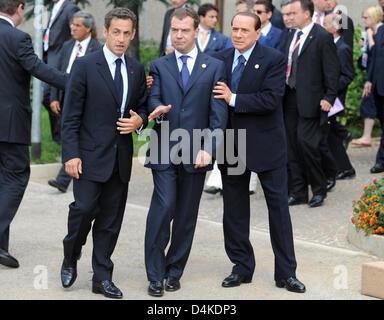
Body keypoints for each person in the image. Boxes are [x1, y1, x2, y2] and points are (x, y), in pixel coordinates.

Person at [213, 10, 305, 293]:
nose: (238, 35)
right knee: (235, 211)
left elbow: (271, 98)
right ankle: (241, 267)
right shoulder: (220, 59)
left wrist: (234, 98)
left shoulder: (274, 59)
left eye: (244, 30)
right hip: (232, 144)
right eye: (234, 29)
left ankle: (286, 273)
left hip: (267, 144)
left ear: (257, 32)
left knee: (278, 209)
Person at [60, 8, 148, 299]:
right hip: (87, 157)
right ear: (106, 32)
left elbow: (143, 106)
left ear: (132, 34)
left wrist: (140, 121)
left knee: (110, 222)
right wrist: (70, 154)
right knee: (83, 210)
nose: (121, 39)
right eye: (116, 32)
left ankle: (102, 277)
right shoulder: (85, 65)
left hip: (120, 159)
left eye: (127, 33)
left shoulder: (136, 69)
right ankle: (71, 254)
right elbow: (71, 115)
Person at [144, 7, 227, 297]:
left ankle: (173, 270)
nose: (178, 35)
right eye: (174, 30)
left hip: (197, 153)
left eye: (184, 30)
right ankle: (154, 275)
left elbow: (218, 117)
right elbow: (154, 98)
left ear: (196, 31)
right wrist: (157, 111)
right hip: (164, 148)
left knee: (186, 215)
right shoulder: (158, 65)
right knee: (164, 207)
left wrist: (209, 149)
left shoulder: (214, 66)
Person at [0, 0, 67, 268]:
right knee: (16, 177)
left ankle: (1, 248)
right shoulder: (18, 37)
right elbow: (39, 69)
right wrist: (77, 80)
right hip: (11, 123)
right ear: (19, 8)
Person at [281, 0, 340, 208]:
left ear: (307, 14)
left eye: (292, 13)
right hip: (288, 98)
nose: (287, 18)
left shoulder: (322, 36)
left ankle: (318, 188)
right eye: (285, 14)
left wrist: (329, 97)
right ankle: (297, 191)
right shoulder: (288, 35)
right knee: (291, 147)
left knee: (307, 144)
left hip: (312, 101)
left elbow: (332, 70)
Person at [48, 11, 101, 193]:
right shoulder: (67, 46)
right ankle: (68, 173)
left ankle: (63, 178)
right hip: (64, 95)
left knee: (77, 134)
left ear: (88, 28)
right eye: (72, 24)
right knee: (68, 134)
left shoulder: (97, 49)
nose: (73, 28)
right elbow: (58, 72)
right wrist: (54, 97)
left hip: (85, 98)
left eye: (77, 25)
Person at [323, 13, 356, 180]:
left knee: (331, 134)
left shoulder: (343, 48)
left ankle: (343, 168)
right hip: (328, 96)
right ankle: (343, 167)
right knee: (331, 133)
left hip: (335, 98)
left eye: (325, 24)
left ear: (335, 28)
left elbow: (348, 75)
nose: (322, 27)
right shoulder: (330, 45)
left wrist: (331, 87)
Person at [43, 0, 80, 144]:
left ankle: (61, 134)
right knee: (48, 97)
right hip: (49, 54)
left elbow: (75, 31)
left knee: (48, 96)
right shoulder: (54, 7)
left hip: (59, 55)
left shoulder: (70, 7)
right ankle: (59, 136)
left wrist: (66, 53)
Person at [351, 5, 383, 147]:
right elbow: (369, 56)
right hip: (371, 75)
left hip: (378, 78)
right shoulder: (369, 31)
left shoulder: (379, 31)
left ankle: (367, 136)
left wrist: (370, 40)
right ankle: (367, 136)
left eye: (366, 17)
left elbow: (378, 54)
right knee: (368, 103)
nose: (363, 20)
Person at [364, 24, 384, 173]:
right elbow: (374, 57)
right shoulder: (381, 30)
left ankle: (381, 160)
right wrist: (369, 80)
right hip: (378, 86)